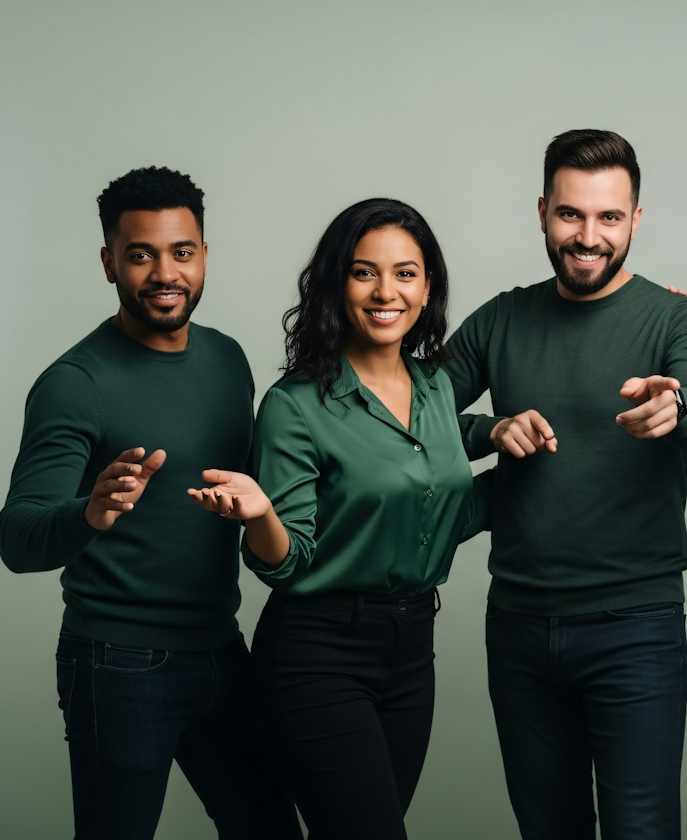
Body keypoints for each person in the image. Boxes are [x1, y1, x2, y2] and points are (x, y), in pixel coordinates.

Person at [0, 167, 301, 840]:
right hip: (118, 663)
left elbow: (256, 498)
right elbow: (15, 538)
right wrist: (89, 513)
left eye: (181, 252)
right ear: (109, 262)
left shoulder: (227, 359)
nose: (165, 273)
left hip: (222, 649)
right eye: (141, 255)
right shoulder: (75, 383)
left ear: (203, 255)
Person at [443, 129, 687, 839]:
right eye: (571, 214)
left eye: (608, 217)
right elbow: (406, 414)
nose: (588, 236)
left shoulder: (676, 316)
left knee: (641, 830)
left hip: (636, 629)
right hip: (518, 630)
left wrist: (679, 406)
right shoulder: (501, 319)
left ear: (636, 220)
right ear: (542, 212)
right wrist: (489, 431)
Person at [187, 198, 492, 839]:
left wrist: (499, 432)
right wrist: (261, 514)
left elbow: (436, 494)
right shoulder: (295, 406)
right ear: (334, 284)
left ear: (428, 285)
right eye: (364, 272)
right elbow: (285, 559)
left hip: (412, 651)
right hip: (317, 654)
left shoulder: (435, 387)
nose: (387, 291)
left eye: (406, 273)